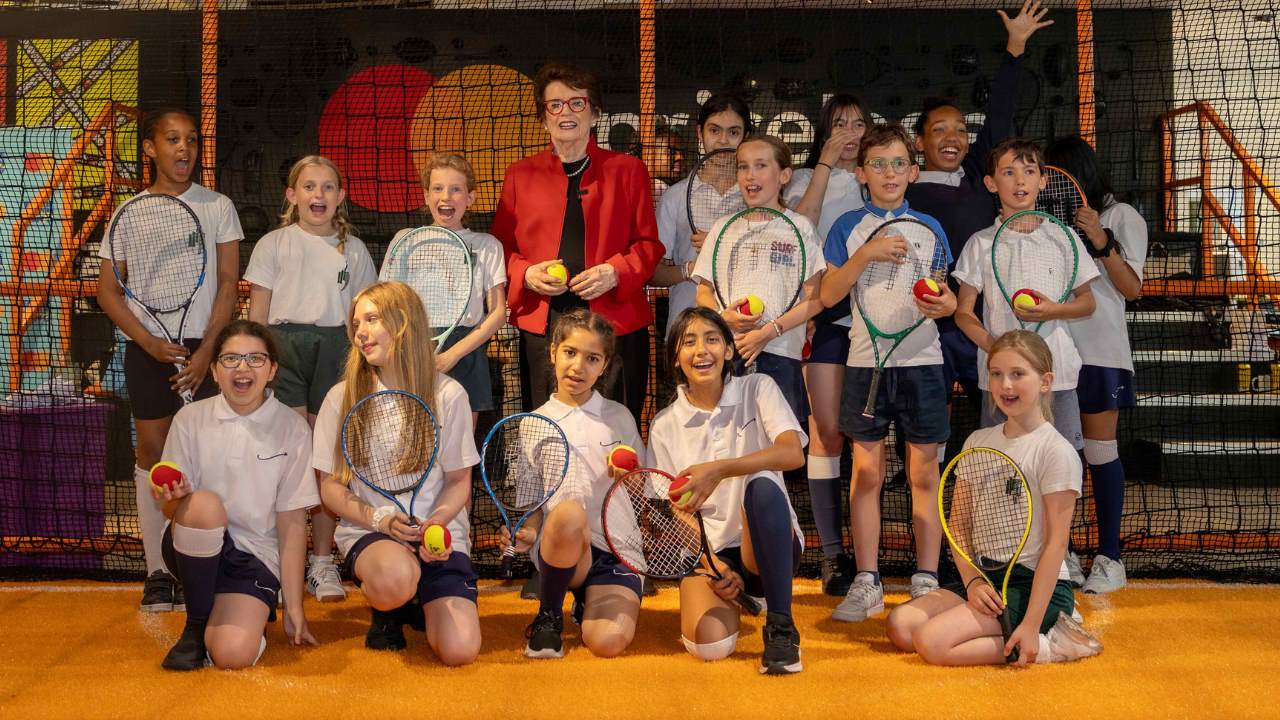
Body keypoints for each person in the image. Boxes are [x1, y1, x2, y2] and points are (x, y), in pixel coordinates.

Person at [96, 107, 243, 613]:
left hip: (207, 350)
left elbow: (228, 285)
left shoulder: (219, 207)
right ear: (150, 148)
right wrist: (149, 343)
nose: (184, 149)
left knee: (210, 455)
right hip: (148, 351)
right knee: (152, 456)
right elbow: (108, 292)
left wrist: (206, 354)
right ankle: (158, 572)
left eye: (192, 140)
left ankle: (208, 560)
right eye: (172, 139)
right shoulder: (126, 212)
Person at [884, 330, 1103, 666]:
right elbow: (958, 526)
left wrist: (1030, 624)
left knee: (932, 642)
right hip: (985, 578)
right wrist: (972, 582)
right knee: (901, 626)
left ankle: (1050, 644)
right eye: (997, 374)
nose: (1006, 386)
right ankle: (1009, 631)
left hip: (1031, 584)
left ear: (1046, 382)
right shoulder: (977, 440)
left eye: (1018, 374)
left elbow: (1056, 544)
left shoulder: (1055, 451)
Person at [819, 124, 957, 620]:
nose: (889, 173)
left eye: (899, 163)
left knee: (924, 472)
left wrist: (946, 302)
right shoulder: (846, 228)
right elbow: (828, 295)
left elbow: (945, 293)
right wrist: (866, 254)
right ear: (861, 173)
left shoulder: (931, 227)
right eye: (878, 163)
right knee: (866, 472)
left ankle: (925, 578)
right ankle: (866, 579)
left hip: (922, 362)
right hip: (864, 364)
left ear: (914, 171)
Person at [311, 282, 481, 665]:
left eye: (372, 319)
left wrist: (435, 523)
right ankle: (389, 605)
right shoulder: (340, 398)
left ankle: (418, 597)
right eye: (356, 324)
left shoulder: (449, 394)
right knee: (393, 581)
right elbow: (330, 488)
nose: (360, 333)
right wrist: (380, 519)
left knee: (460, 651)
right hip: (371, 534)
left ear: (403, 323)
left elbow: (458, 482)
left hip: (440, 538)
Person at [492, 61, 664, 426]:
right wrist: (525, 273)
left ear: (595, 112)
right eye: (554, 105)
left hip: (614, 323)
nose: (565, 112)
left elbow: (649, 245)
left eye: (576, 103)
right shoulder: (519, 175)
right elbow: (499, 250)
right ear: (544, 117)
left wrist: (615, 272)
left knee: (616, 430)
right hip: (544, 324)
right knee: (547, 430)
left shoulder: (628, 170)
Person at [906, 0, 1054, 415]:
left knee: (1001, 413)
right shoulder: (905, 191)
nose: (953, 136)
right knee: (928, 422)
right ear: (919, 143)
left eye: (959, 129)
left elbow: (1000, 114)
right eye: (939, 130)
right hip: (926, 325)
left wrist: (1016, 47)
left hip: (978, 323)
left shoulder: (977, 175)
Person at [150, 320, 319, 670]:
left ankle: (227, 611)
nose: (242, 367)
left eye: (255, 359)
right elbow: (170, 509)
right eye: (230, 359)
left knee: (231, 654)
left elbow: (292, 524)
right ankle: (195, 627)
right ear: (214, 370)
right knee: (204, 505)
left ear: (272, 370)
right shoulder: (190, 419)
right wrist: (174, 497)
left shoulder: (293, 429)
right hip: (194, 545)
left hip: (253, 558)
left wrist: (295, 608)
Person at [245, 154, 377, 603]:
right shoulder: (273, 245)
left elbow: (364, 315)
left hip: (337, 352)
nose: (317, 195)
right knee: (287, 457)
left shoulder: (353, 250)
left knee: (326, 460)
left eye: (327, 187)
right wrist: (257, 363)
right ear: (292, 195)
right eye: (308, 186)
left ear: (340, 197)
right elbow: (257, 315)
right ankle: (281, 561)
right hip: (284, 349)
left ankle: (322, 562)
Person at [647, 307, 807, 675]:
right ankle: (737, 599)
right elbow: (673, 512)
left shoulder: (758, 387)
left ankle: (781, 627)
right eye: (689, 342)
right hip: (713, 555)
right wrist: (713, 563)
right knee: (711, 644)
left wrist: (718, 470)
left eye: (712, 339)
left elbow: (792, 453)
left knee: (762, 484)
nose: (701, 350)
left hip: (768, 543)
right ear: (675, 358)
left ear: (730, 351)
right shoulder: (663, 425)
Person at [508, 309, 645, 660]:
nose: (578, 367)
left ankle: (589, 603)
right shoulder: (533, 423)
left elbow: (642, 490)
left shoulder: (619, 417)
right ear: (553, 351)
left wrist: (627, 479)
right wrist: (526, 531)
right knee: (568, 513)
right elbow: (534, 504)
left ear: (604, 365)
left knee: (606, 642)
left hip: (616, 550)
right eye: (570, 352)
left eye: (592, 358)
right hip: (563, 549)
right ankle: (548, 616)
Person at [1047, 136, 1147, 594]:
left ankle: (1110, 558)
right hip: (1052, 353)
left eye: (1056, 174)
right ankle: (1061, 553)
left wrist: (1101, 239)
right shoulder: (1047, 227)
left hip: (1102, 353)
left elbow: (1132, 289)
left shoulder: (1121, 216)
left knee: (1099, 453)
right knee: (1057, 457)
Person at [952, 138, 1098, 451]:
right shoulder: (980, 243)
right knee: (999, 473)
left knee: (1063, 470)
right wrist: (995, 347)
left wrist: (1052, 311)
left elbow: (1087, 302)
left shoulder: (1064, 237)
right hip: (1001, 381)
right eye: (1008, 173)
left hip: (1055, 376)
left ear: (1043, 181)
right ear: (991, 183)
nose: (1020, 180)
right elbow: (963, 312)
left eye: (1029, 171)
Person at [784, 93, 871, 595]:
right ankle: (833, 556)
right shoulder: (801, 178)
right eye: (839, 124)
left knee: (871, 438)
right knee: (827, 432)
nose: (850, 132)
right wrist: (823, 162)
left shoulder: (877, 174)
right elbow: (802, 227)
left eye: (858, 123)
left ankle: (866, 554)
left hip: (879, 322)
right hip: (825, 318)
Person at [691, 134, 824, 428]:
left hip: (781, 352)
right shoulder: (723, 228)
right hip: (728, 353)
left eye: (761, 165)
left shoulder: (800, 228)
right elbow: (704, 292)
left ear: (784, 175)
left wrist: (770, 331)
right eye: (743, 167)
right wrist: (723, 318)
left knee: (780, 451)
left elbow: (815, 300)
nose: (750, 175)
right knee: (728, 445)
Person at [381, 153, 508, 427]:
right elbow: (385, 304)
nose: (446, 197)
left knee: (459, 451)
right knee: (411, 440)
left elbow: (497, 313)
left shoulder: (487, 245)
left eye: (456, 189)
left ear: (470, 198)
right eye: (437, 188)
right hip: (411, 348)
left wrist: (454, 353)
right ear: (426, 196)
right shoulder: (404, 240)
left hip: (467, 350)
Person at [651, 93, 754, 329]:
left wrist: (722, 245)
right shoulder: (675, 196)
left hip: (747, 332)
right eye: (714, 130)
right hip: (688, 330)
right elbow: (653, 273)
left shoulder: (759, 196)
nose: (723, 140)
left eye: (734, 132)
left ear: (745, 137)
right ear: (700, 133)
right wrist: (691, 269)